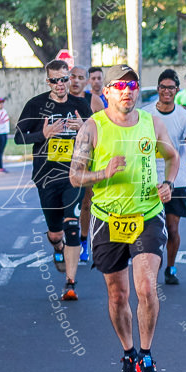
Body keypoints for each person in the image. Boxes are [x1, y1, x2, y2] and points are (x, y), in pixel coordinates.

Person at [69, 64, 179, 372]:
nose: (128, 91)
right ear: (107, 92)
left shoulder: (152, 123)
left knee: (146, 288)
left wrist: (168, 184)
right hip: (107, 218)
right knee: (118, 295)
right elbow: (76, 175)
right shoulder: (92, 128)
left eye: (132, 85)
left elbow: (172, 157)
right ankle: (128, 353)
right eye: (120, 86)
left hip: (146, 214)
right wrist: (103, 173)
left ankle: (146, 355)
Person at [15, 59, 92, 301]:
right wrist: (43, 134)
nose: (61, 85)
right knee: (56, 233)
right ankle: (57, 246)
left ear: (70, 78)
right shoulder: (36, 105)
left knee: (72, 225)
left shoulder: (80, 104)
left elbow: (97, 134)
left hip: (73, 174)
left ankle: (70, 283)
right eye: (55, 80)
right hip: (46, 176)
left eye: (64, 79)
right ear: (48, 81)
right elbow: (18, 137)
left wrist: (84, 127)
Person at [143, 69, 186, 285]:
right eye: (163, 87)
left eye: (171, 88)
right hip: (150, 179)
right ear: (158, 89)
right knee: (151, 231)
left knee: (172, 228)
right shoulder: (145, 114)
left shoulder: (184, 117)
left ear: (177, 90)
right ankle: (150, 269)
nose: (167, 91)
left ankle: (170, 267)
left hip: (176, 180)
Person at [79, 66, 107, 260]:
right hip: (82, 156)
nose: (96, 81)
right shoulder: (82, 99)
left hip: (101, 156)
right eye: (93, 78)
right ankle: (82, 241)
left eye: (99, 78)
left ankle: (113, 242)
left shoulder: (108, 99)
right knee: (85, 202)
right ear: (89, 81)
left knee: (102, 201)